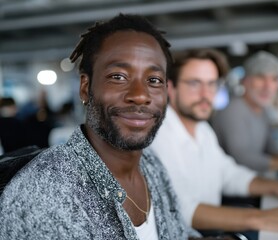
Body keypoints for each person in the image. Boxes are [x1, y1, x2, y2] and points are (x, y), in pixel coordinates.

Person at [0, 13, 200, 240]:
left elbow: (175, 231)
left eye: (154, 80)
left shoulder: (150, 165)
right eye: (118, 76)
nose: (141, 95)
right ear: (85, 88)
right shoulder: (43, 195)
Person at [149, 48, 278, 235]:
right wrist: (261, 218)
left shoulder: (202, 130)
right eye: (194, 83)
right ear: (170, 88)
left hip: (208, 230)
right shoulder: (158, 136)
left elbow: (228, 173)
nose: (205, 94)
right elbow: (179, 207)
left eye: (211, 84)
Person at [211, 51, 278, 173]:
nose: (268, 86)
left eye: (274, 79)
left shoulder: (263, 111)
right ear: (245, 81)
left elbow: (271, 150)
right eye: (260, 77)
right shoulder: (233, 111)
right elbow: (241, 158)